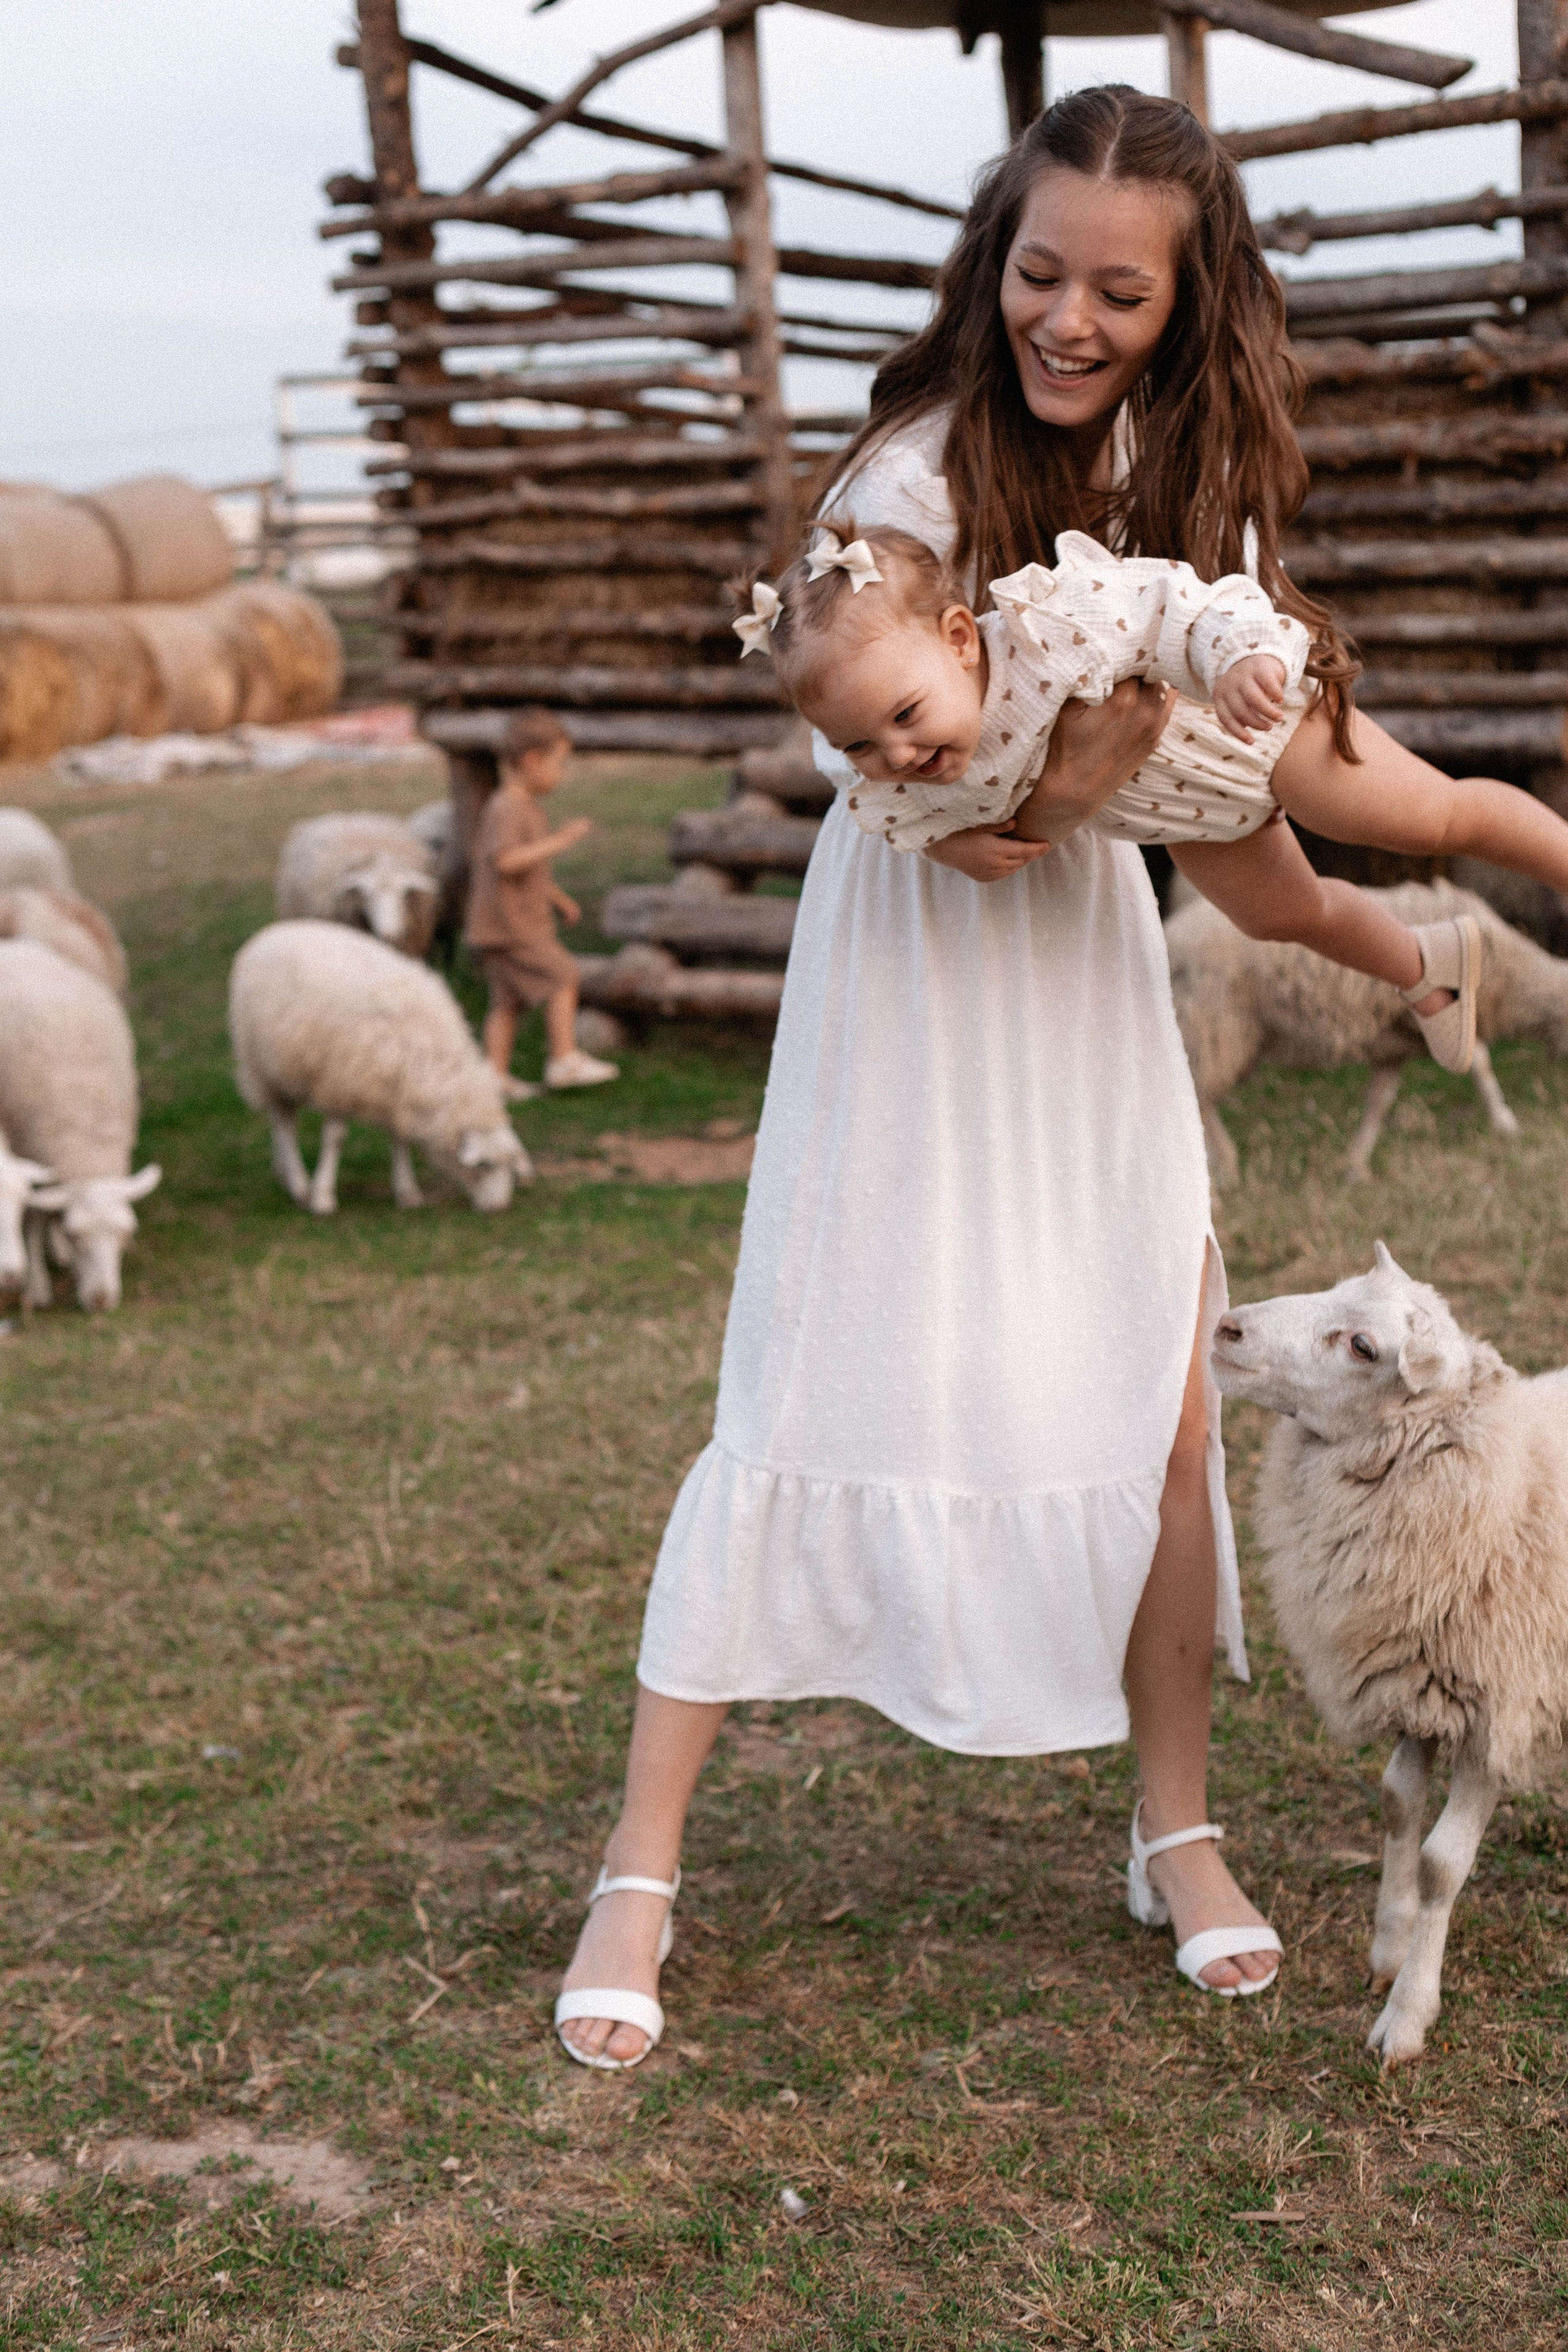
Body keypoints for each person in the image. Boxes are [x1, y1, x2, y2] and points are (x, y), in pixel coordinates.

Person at [554, 82, 1418, 2070]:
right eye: (1040, 271)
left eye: (1122, 289)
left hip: (1086, 996)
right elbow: (960, 817)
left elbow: (1217, 769)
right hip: (921, 977)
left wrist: (1313, 861)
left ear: (1192, 302)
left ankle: (1177, 1828)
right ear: (991, 258)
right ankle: (641, 1858)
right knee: (800, 1382)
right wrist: (1089, 761)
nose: (1070, 317)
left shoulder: (1193, 491)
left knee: (1163, 1398)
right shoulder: (912, 478)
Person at [744, 511, 1568, 1074]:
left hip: (1250, 727)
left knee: (1430, 818)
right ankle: (1429, 967)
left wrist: (1239, 658)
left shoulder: (1049, 627)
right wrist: (952, 844)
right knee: (1278, 915)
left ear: (960, 640)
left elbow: (1175, 603)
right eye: (859, 742)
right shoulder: (901, 772)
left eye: (904, 716)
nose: (896, 751)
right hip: (1193, 817)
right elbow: (882, 811)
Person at [464, 707, 618, 1095]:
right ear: (532, 761)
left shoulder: (518, 805)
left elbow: (523, 868)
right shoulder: (509, 807)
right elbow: (506, 862)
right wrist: (561, 841)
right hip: (512, 926)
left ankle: (493, 1078)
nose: (560, 775)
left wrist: (557, 898)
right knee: (564, 975)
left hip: (500, 923)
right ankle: (563, 1059)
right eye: (559, 764)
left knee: (506, 1002)